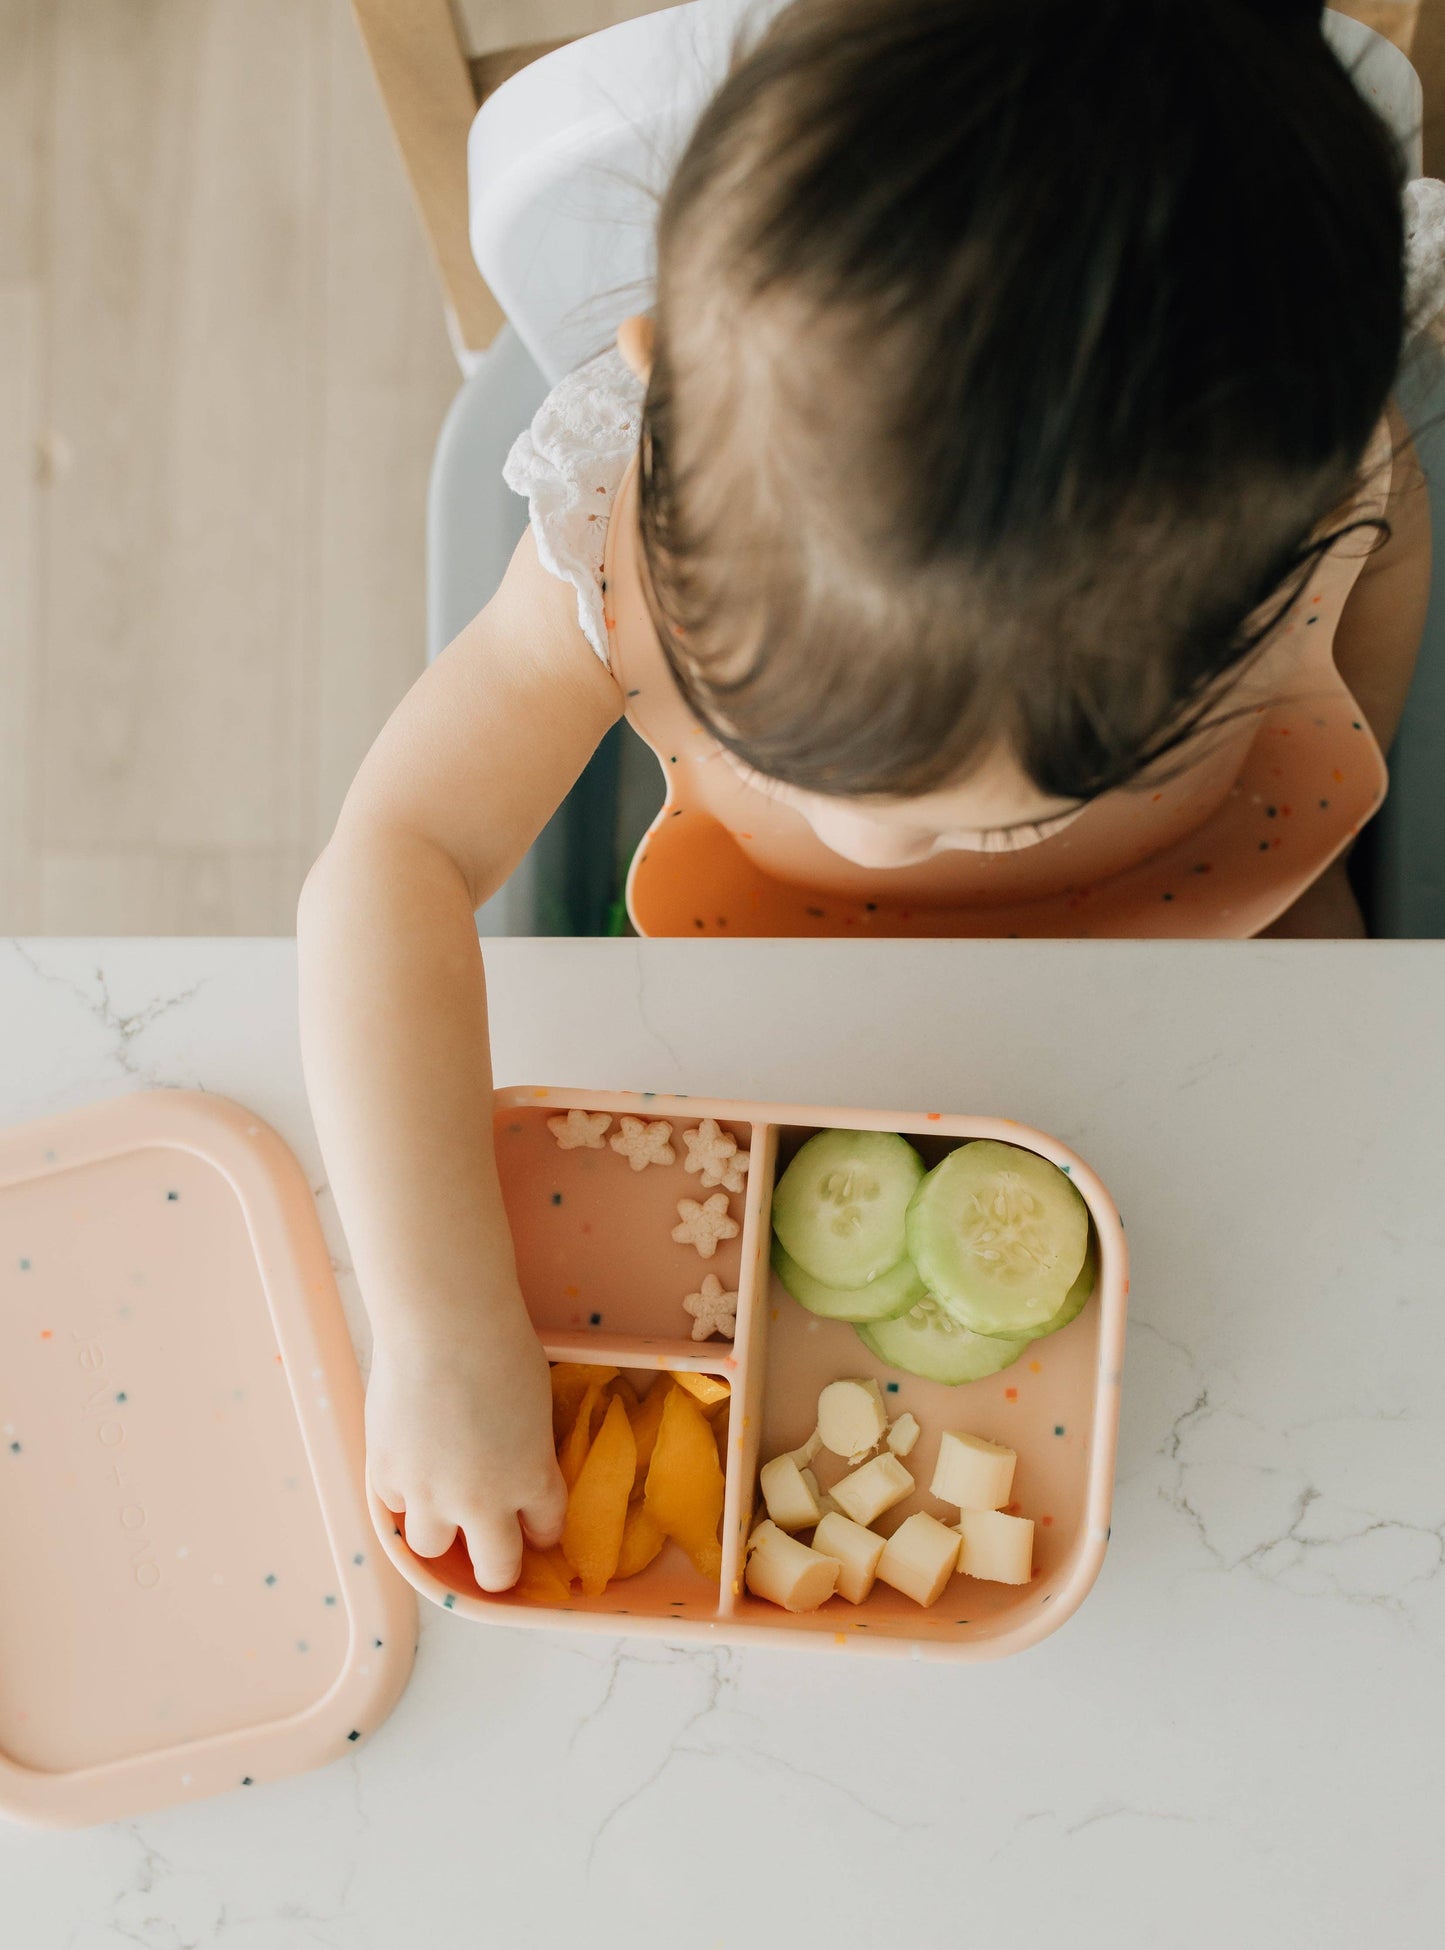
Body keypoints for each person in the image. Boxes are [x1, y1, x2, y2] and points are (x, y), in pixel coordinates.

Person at [299, 0, 1442, 1587]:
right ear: (666, 392)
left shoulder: (1321, 501)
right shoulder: (614, 546)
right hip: (778, 1000)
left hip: (1219, 952)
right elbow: (390, 858)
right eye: (838, 776)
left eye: (1020, 808)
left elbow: (1349, 730)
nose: (896, 847)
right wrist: (436, 1323)